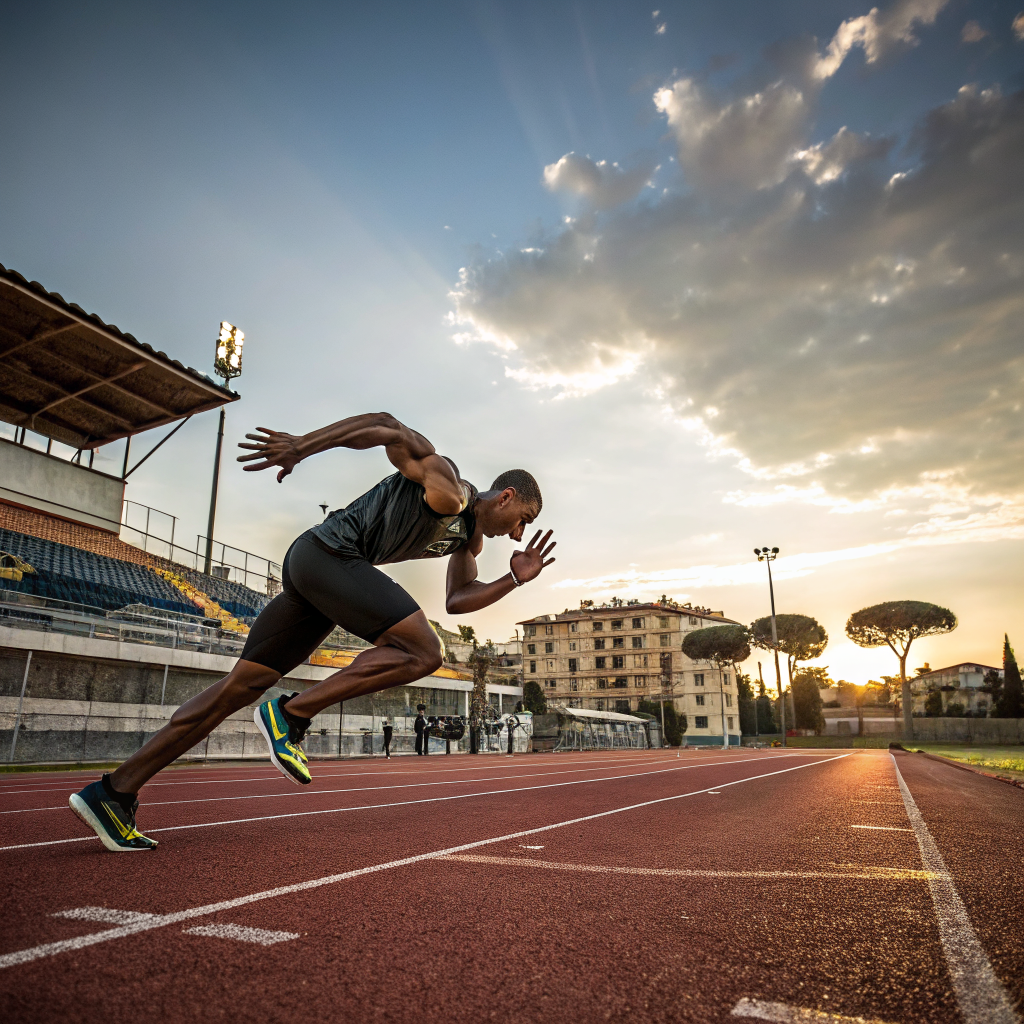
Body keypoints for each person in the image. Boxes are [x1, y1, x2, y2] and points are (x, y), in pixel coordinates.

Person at [68, 411, 555, 851]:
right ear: (507, 496)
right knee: (422, 651)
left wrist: (512, 579)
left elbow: (458, 599)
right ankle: (292, 717)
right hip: (327, 555)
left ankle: (114, 792)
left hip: (323, 581)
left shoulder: (468, 537)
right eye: (522, 521)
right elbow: (387, 426)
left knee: (240, 687)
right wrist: (301, 446)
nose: (517, 534)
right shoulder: (448, 484)